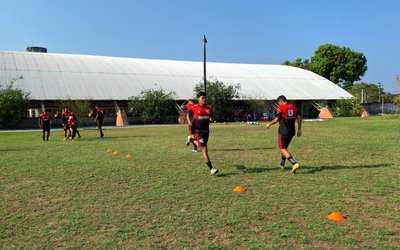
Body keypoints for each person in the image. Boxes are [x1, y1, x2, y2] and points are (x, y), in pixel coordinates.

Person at [266, 95, 302, 174]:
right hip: (292, 131)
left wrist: (269, 124)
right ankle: (282, 164)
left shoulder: (281, 108)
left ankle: (294, 163)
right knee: (285, 147)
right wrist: (299, 129)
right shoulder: (293, 107)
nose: (278, 105)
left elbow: (276, 119)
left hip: (283, 131)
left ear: (281, 101)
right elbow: (299, 117)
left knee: (282, 148)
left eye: (278, 103)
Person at [187, 92, 219, 175]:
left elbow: (211, 116)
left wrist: (212, 119)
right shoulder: (194, 107)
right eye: (202, 98)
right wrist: (189, 121)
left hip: (206, 131)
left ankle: (191, 139)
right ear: (198, 99)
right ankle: (211, 169)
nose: (204, 100)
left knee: (202, 148)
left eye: (205, 98)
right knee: (204, 149)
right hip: (198, 131)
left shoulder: (209, 108)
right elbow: (188, 114)